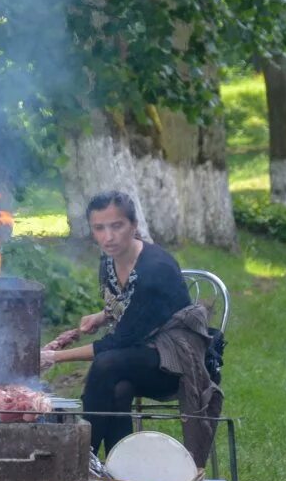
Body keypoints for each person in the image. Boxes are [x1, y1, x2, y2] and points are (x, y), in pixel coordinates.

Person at [38, 191, 222, 466]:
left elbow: (118, 342)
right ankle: (119, 468)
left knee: (106, 364)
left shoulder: (154, 269)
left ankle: (78, 460)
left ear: (134, 226)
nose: (108, 237)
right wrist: (103, 315)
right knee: (118, 389)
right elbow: (129, 308)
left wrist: (54, 357)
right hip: (141, 352)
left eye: (117, 226)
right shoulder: (109, 260)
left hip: (176, 361)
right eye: (99, 228)